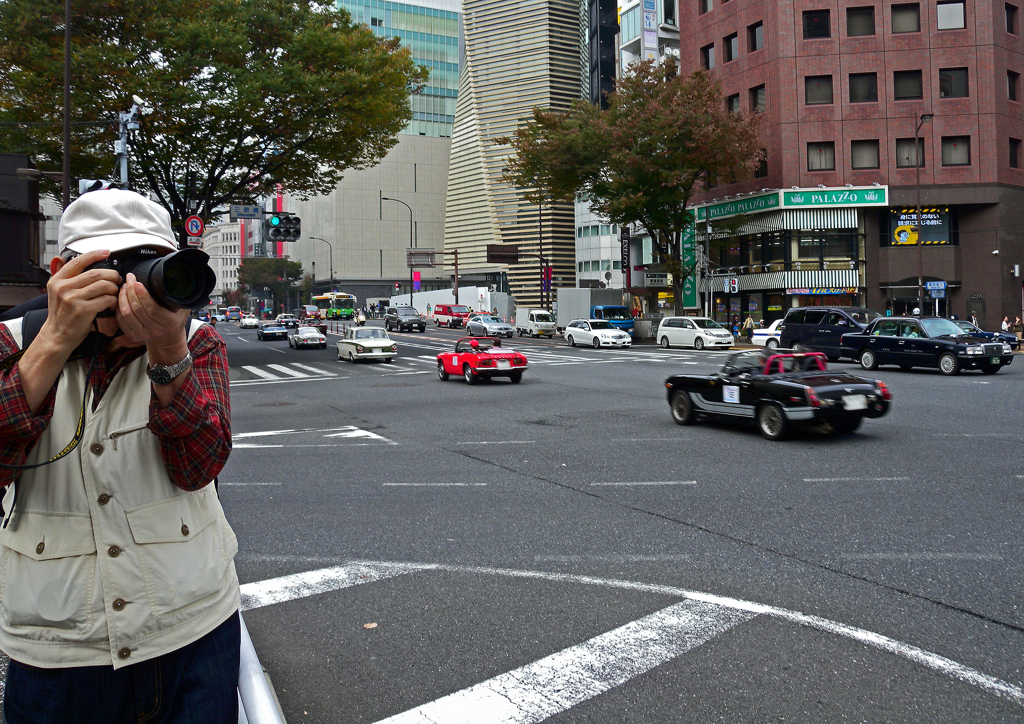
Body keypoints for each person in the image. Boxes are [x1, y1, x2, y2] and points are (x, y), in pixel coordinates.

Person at [0, 190, 239, 723]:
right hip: (58, 644)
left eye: (147, 267)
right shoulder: (12, 340)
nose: (132, 289)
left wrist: (167, 350)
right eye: (111, 268)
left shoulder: (196, 342)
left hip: (194, 625)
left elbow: (200, 466)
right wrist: (54, 342)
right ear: (61, 272)